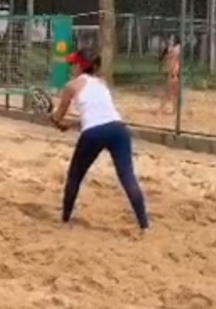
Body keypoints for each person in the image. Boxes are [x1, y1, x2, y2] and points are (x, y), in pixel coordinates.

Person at [49, 48, 149, 232]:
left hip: (94, 133)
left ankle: (65, 219)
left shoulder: (72, 86)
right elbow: (95, 116)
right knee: (127, 177)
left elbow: (58, 117)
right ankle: (144, 225)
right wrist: (68, 125)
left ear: (80, 66)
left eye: (73, 64)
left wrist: (53, 119)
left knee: (75, 176)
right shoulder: (102, 83)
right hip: (118, 129)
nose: (71, 67)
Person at [157, 35, 181, 115]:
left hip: (174, 73)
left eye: (171, 39)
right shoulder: (170, 48)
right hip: (171, 73)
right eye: (169, 39)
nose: (170, 40)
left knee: (168, 93)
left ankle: (161, 109)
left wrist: (168, 49)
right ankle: (174, 110)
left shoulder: (177, 48)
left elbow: (174, 52)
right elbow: (162, 57)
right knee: (172, 93)